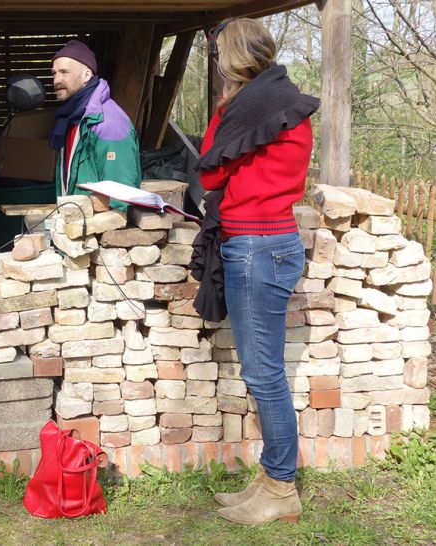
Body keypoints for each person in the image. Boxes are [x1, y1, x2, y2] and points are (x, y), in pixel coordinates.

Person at [198, 18, 319, 525]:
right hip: (274, 240)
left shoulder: (246, 108)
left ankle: (281, 489)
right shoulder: (283, 100)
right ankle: (272, 476)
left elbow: (208, 167)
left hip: (255, 245)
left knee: (264, 374)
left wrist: (224, 104)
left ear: (231, 60)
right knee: (265, 372)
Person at [49, 39, 140, 207]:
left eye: (64, 72)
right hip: (76, 224)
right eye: (54, 73)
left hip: (97, 230)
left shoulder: (108, 124)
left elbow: (120, 200)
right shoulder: (71, 118)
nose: (56, 80)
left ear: (86, 75)